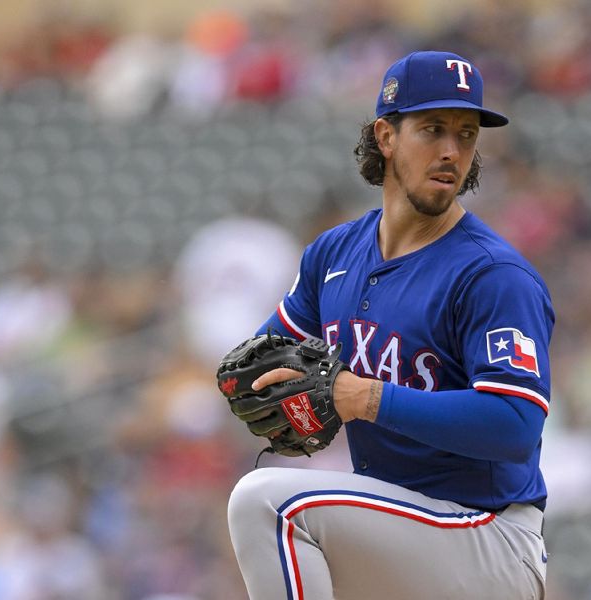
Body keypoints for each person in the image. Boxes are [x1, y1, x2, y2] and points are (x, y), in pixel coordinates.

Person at [227, 50, 554, 600]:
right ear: (386, 136)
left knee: (268, 504)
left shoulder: (492, 275)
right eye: (432, 129)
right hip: (399, 523)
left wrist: (366, 398)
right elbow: (266, 355)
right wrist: (254, 384)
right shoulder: (335, 252)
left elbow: (515, 424)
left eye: (467, 134)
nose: (452, 151)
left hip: (488, 537)